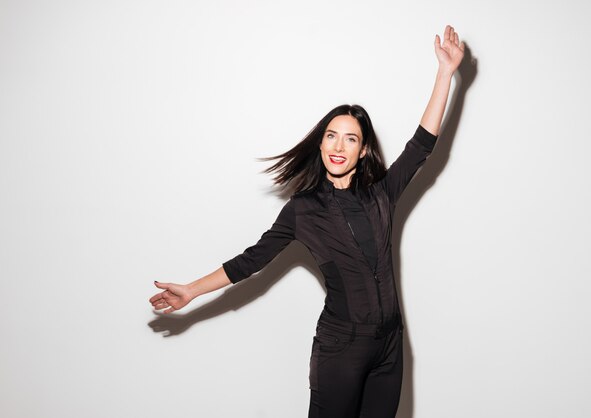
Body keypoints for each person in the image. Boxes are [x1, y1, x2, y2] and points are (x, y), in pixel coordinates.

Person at [149, 25, 465, 418]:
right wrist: (192, 290)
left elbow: (421, 145)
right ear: (320, 143)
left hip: (391, 346)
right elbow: (251, 260)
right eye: (331, 136)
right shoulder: (304, 210)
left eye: (350, 139)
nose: (338, 146)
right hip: (341, 349)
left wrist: (444, 73)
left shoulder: (381, 194)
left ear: (363, 150)